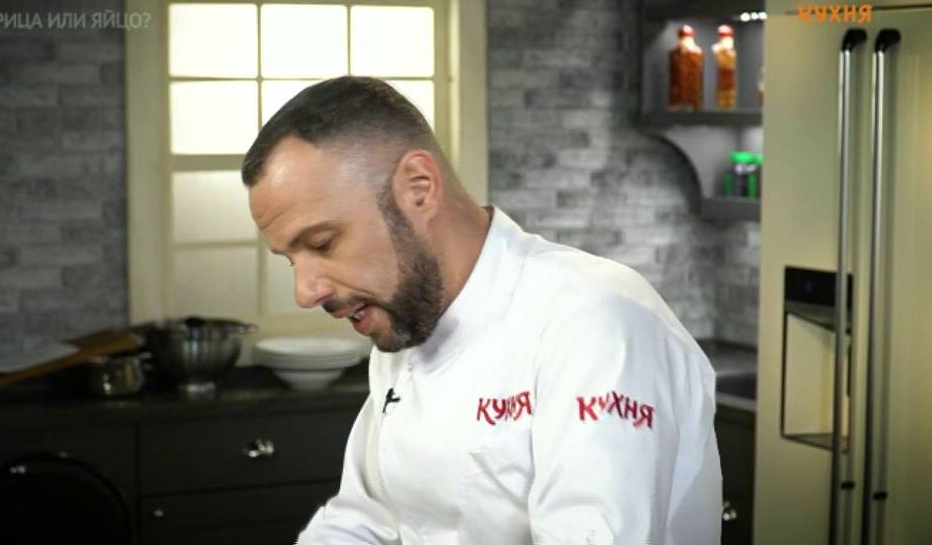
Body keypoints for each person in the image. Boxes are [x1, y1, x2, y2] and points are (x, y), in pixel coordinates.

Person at [242, 76, 721, 544]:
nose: (305, 292)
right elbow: (371, 515)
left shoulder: (594, 320)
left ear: (418, 188)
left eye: (322, 243)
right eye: (291, 259)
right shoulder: (402, 318)